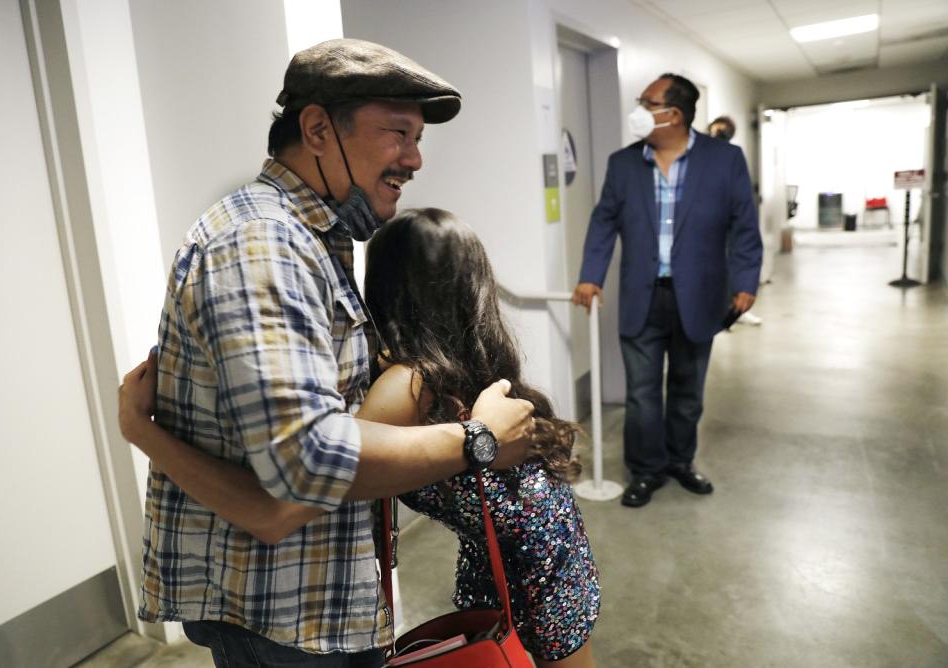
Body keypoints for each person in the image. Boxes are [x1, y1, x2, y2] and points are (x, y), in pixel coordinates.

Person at [121, 38, 536, 667]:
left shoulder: (317, 239)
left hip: (317, 600)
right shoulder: (262, 244)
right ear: (317, 129)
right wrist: (476, 440)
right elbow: (306, 459)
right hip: (277, 614)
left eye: (418, 137)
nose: (415, 158)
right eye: (398, 132)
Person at [122, 208, 599, 667]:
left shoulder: (406, 383)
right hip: (549, 546)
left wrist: (140, 428)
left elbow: (297, 495)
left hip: (538, 563)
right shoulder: (466, 364)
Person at [571, 73, 762, 508]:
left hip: (700, 297)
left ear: (673, 114)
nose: (638, 109)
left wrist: (746, 281)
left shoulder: (724, 159)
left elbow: (744, 226)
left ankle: (680, 460)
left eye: (647, 102)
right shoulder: (623, 163)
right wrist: (591, 274)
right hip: (642, 295)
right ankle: (645, 470)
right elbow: (604, 221)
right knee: (641, 396)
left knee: (687, 390)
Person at [708, 115, 763, 326]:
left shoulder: (731, 157)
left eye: (723, 131)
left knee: (731, 262)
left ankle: (735, 306)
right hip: (708, 225)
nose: (718, 134)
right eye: (716, 130)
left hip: (728, 222)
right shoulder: (699, 156)